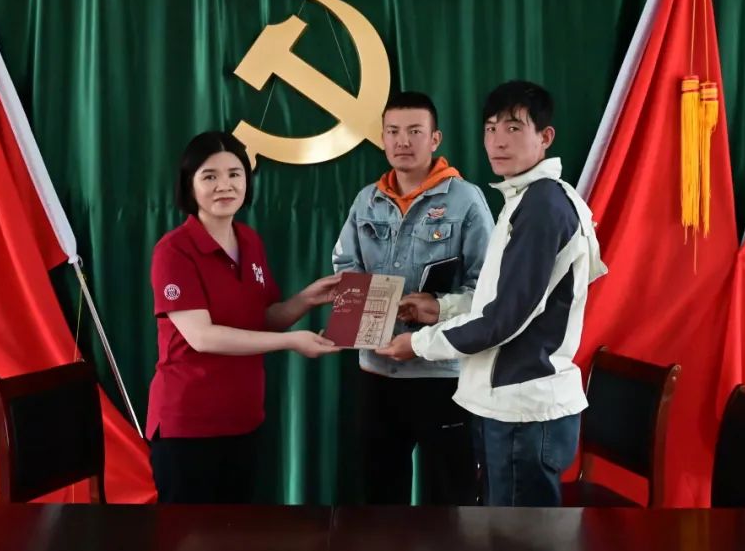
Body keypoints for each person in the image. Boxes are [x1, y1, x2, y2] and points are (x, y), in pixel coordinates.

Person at [377, 81, 607, 507]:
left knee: (517, 533)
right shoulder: (525, 198)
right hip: (507, 405)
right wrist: (440, 307)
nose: (498, 141)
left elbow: (504, 319)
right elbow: (499, 298)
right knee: (501, 527)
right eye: (490, 128)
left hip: (523, 409)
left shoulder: (542, 205)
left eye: (514, 128)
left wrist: (419, 345)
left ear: (545, 136)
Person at [148, 131, 340, 504]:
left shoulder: (249, 240)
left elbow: (262, 320)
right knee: (189, 532)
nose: (225, 185)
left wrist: (307, 299)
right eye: (210, 176)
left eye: (235, 174)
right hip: (189, 427)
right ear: (189, 186)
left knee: (238, 530)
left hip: (244, 420)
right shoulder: (173, 251)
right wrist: (291, 342)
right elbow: (202, 337)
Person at [333, 91, 494, 505]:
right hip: (376, 372)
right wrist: (366, 315)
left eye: (414, 131)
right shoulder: (366, 200)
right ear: (382, 139)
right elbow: (345, 267)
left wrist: (437, 307)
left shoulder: (466, 199)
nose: (402, 141)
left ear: (435, 138)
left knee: (451, 498)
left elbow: (488, 289)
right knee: (378, 498)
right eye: (393, 132)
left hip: (443, 374)